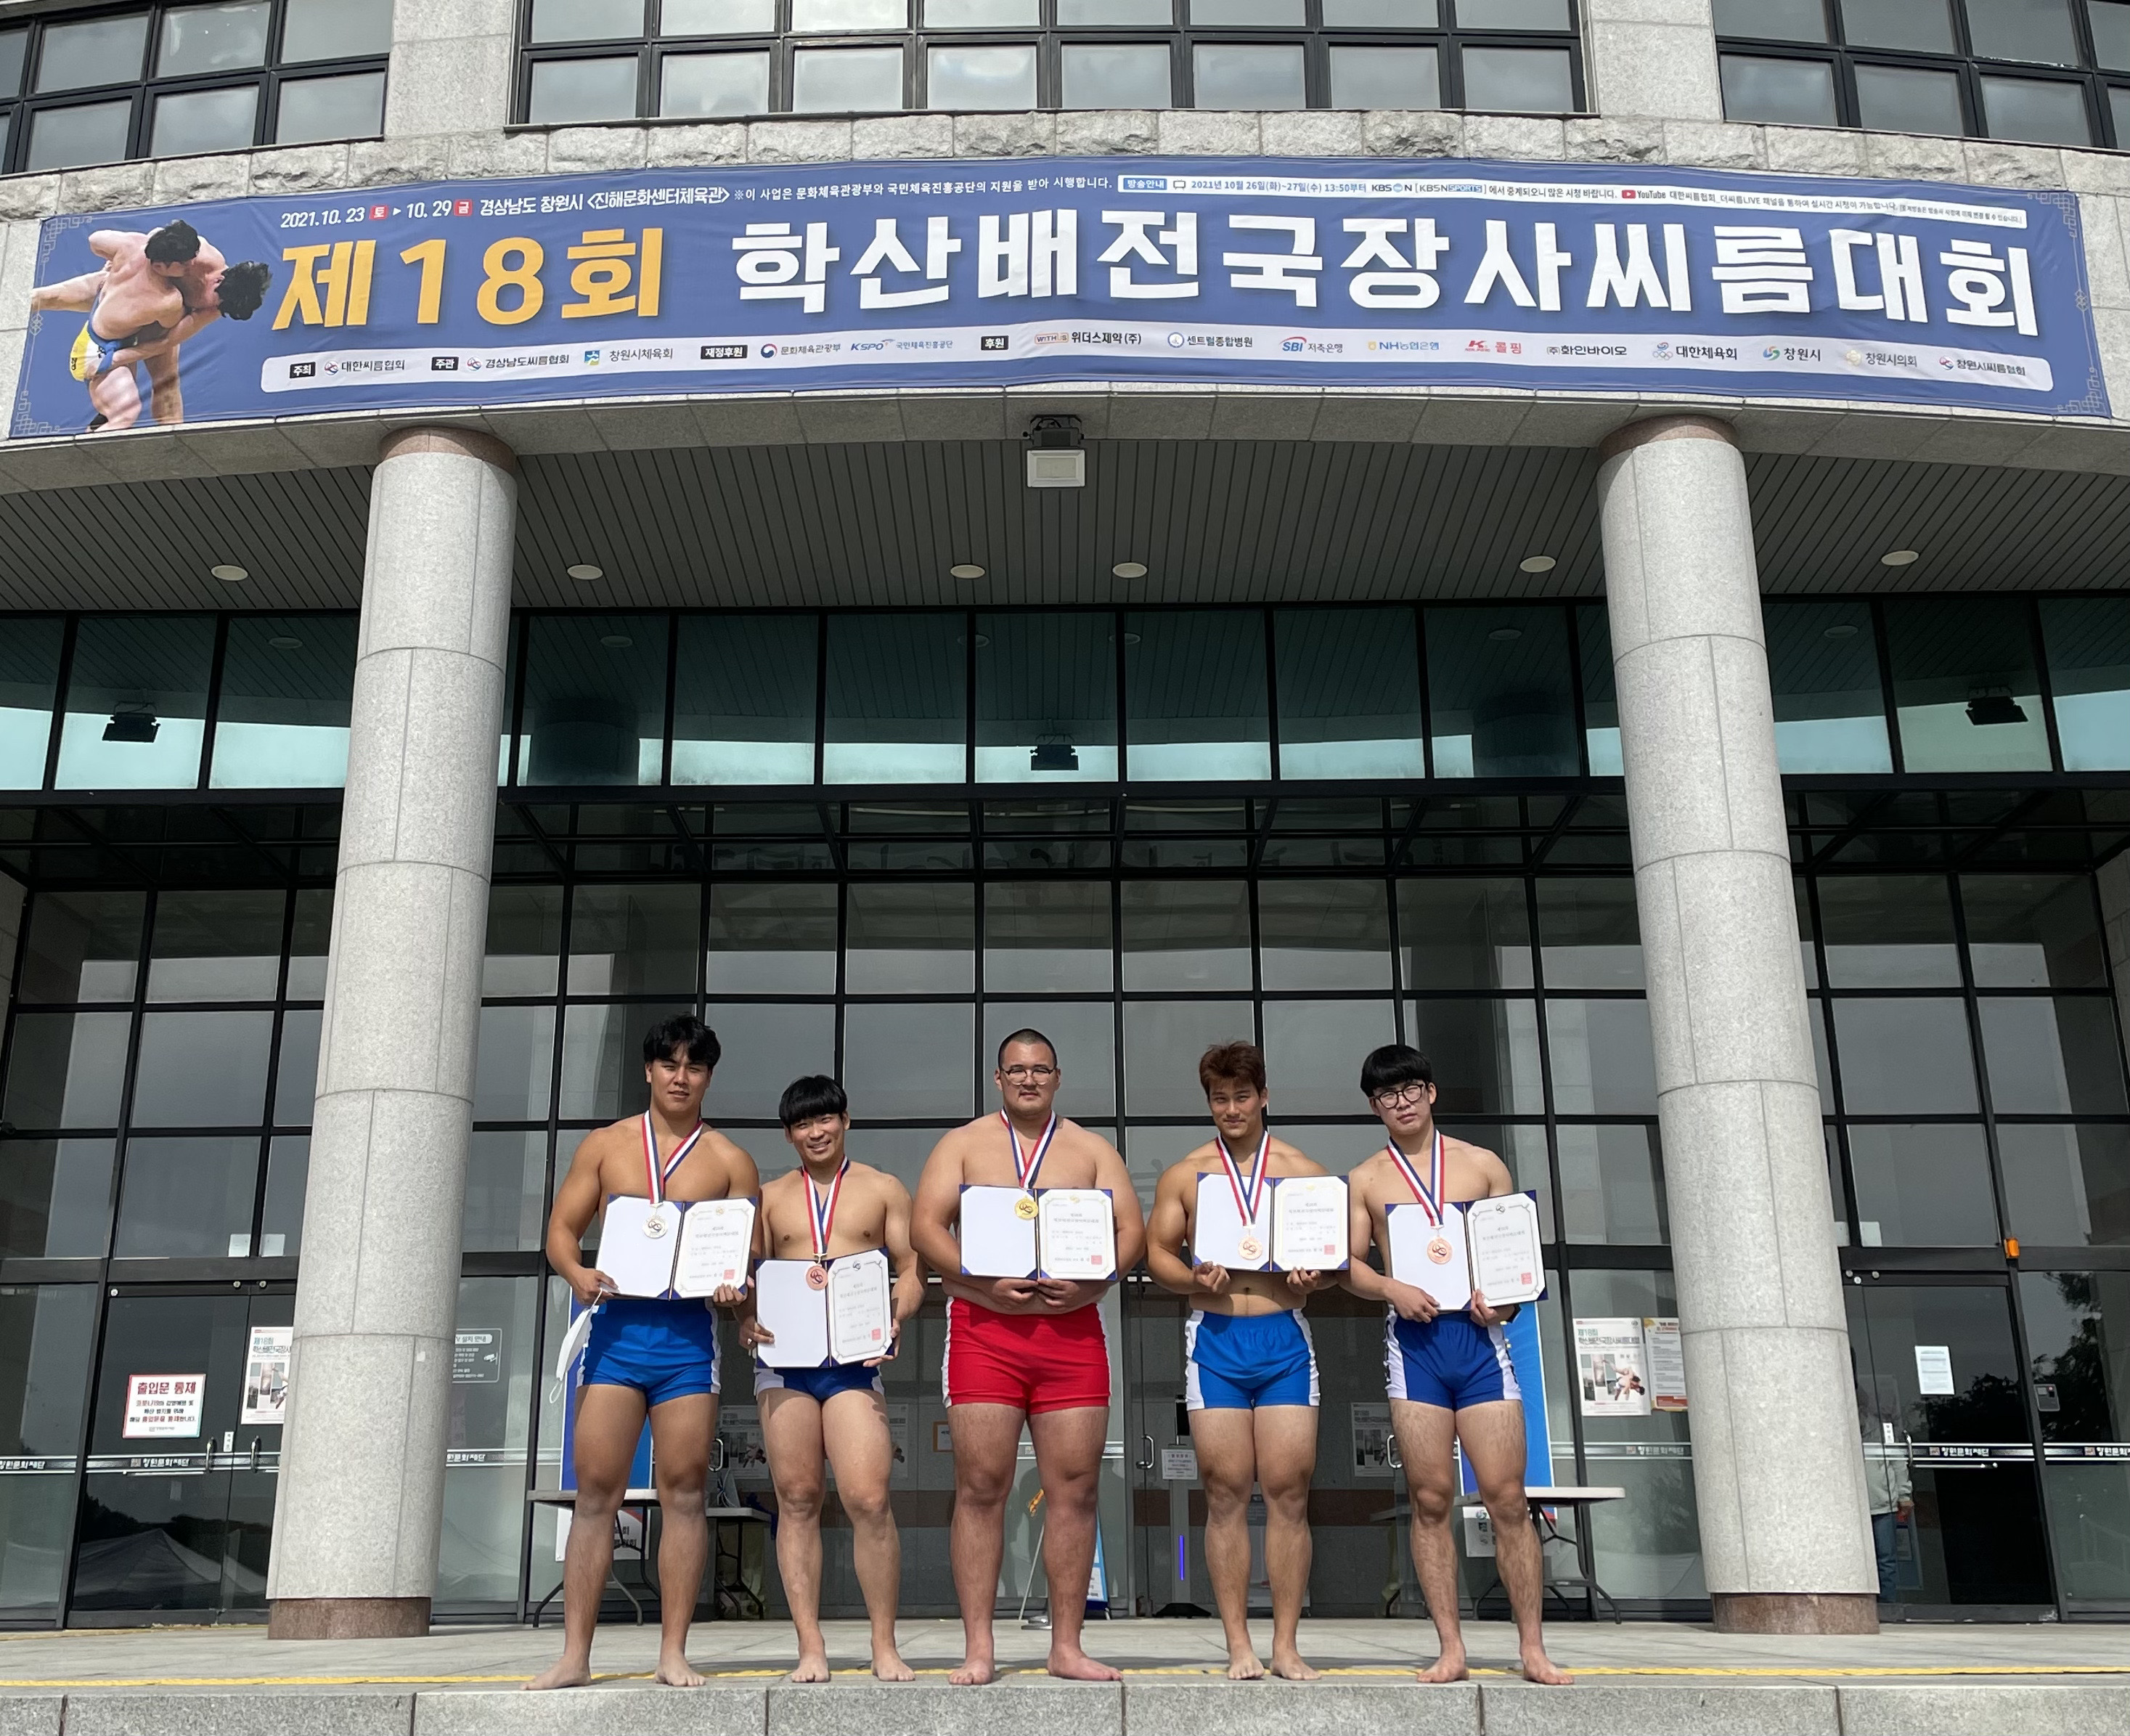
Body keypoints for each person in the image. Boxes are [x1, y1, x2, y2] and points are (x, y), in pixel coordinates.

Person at [529, 1016, 759, 1691]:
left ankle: (673, 1652)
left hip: (686, 1342)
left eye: (694, 1066)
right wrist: (576, 1273)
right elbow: (561, 1231)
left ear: (708, 1076)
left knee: (684, 1492)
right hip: (616, 1335)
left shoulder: (730, 1160)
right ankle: (574, 1655)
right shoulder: (606, 1146)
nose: (681, 1077)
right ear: (649, 1070)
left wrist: (737, 1289)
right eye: (670, 1064)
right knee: (596, 1494)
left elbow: (747, 1255)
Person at [910, 1029, 1146, 1685]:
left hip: (1071, 1334)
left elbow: (1132, 1229)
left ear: (1058, 1077)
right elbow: (924, 1226)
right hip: (984, 1331)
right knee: (981, 1486)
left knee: (1075, 1488)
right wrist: (982, 1279)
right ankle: (979, 1647)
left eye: (1040, 1069)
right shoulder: (962, 1144)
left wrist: (1100, 1279)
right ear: (998, 1078)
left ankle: (1066, 1645)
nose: (1028, 1079)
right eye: (1016, 1070)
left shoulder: (1091, 1149)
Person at [1344, 1043, 1571, 1687]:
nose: (1402, 1101)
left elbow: (1519, 1258)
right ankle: (1450, 1647)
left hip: (1479, 1346)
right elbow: (1349, 1266)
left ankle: (1533, 1647)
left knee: (1507, 1497)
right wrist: (1392, 1287)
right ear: (1375, 1106)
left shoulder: (1483, 1164)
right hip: (1416, 1349)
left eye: (1411, 1088)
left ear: (1432, 1091)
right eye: (1388, 1094)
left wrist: (1503, 1302)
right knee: (1430, 1499)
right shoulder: (1366, 1179)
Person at [1143, 1040, 1331, 1682]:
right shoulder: (1186, 1174)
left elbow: (1334, 1258)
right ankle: (1238, 1645)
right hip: (1216, 1338)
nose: (1231, 1108)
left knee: (1288, 1491)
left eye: (1242, 1096)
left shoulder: (1304, 1171)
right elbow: (1157, 1254)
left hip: (1283, 1338)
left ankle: (1286, 1644)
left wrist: (1315, 1276)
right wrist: (1193, 1275)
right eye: (1219, 1098)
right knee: (1224, 1491)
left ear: (1264, 1096)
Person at [738, 1075, 926, 1683]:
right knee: (796, 1499)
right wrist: (743, 1317)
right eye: (802, 1123)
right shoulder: (768, 1197)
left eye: (825, 1119)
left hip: (853, 1361)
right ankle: (810, 1645)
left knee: (869, 1498)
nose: (815, 1131)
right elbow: (746, 1277)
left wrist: (897, 1315)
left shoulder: (884, 1188)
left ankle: (884, 1644)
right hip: (785, 1360)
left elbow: (912, 1268)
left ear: (846, 1120)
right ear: (788, 1134)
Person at [30, 219, 269, 429]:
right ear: (219, 278)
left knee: (167, 384)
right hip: (124, 293)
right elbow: (159, 238)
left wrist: (115, 359)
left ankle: (169, 445)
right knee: (46, 297)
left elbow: (165, 342)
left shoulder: (212, 307)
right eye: (219, 300)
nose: (216, 307)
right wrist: (115, 261)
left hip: (161, 327)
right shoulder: (201, 252)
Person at [1858, 1390, 1912, 1605]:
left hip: (1883, 1505)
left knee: (1886, 1559)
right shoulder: (1840, 1427)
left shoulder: (1883, 1430)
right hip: (1853, 1507)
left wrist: (1904, 1495)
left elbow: (1898, 1462)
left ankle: (1887, 1605)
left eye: (1861, 1405)